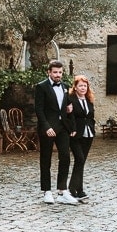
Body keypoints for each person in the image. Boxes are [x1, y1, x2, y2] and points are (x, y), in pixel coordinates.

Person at [33, 60, 78, 204]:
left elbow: (67, 107)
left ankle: (62, 191)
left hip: (62, 127)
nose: (58, 75)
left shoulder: (65, 87)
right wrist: (46, 127)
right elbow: (39, 109)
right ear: (49, 72)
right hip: (48, 128)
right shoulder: (41, 87)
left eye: (60, 72)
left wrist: (71, 119)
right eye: (55, 72)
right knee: (45, 159)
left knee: (65, 157)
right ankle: (46, 191)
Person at [67, 75, 95, 202]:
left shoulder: (89, 100)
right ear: (75, 87)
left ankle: (78, 189)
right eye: (80, 86)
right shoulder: (70, 100)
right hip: (75, 134)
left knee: (81, 162)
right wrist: (71, 128)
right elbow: (69, 116)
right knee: (79, 159)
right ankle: (73, 188)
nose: (83, 88)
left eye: (85, 85)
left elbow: (90, 117)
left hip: (88, 134)